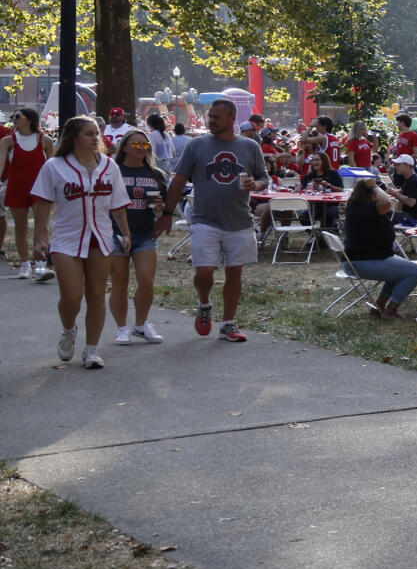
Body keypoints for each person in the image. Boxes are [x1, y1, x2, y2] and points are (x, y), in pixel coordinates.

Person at [159, 99, 269, 342]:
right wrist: (167, 214)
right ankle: (204, 304)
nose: (211, 120)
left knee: (234, 274)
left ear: (231, 118)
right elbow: (178, 180)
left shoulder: (250, 146)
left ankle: (228, 324)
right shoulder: (196, 145)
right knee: (205, 272)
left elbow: (263, 178)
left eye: (217, 117)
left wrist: (256, 184)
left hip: (239, 221)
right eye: (210, 116)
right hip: (205, 220)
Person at [33, 116, 133, 368]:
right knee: (72, 295)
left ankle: (92, 350)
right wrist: (39, 237)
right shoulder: (54, 166)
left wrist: (126, 233)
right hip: (67, 238)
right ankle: (68, 330)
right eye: (88, 133)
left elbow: (118, 206)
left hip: (100, 236)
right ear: (74, 137)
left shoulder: (110, 166)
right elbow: (43, 203)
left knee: (97, 293)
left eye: (95, 133)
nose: (94, 138)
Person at [109, 129, 168, 345]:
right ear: (124, 147)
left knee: (146, 280)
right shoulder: (114, 171)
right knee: (120, 282)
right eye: (136, 145)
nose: (141, 149)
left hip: (145, 234)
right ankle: (121, 327)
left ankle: (141, 325)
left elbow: (163, 206)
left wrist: (160, 210)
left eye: (145, 146)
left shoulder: (156, 174)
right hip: (115, 234)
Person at [338, 178, 417, 321]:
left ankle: (379, 306)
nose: (383, 193)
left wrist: (375, 188)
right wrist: (375, 186)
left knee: (401, 271)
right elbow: (387, 203)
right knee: (415, 272)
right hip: (364, 261)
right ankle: (390, 311)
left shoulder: (360, 206)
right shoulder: (365, 207)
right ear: (372, 193)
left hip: (365, 259)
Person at [2, 108, 53, 280]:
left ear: (29, 120)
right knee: (20, 227)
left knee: (42, 227)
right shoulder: (8, 141)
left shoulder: (44, 140)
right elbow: (1, 165)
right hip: (17, 185)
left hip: (39, 187)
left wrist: (55, 187)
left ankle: (41, 267)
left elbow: (52, 166)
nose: (14, 119)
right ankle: (25, 265)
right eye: (13, 116)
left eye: (17, 116)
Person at [388, 155, 417, 226]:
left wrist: (394, 194)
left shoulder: (413, 181)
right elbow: (401, 191)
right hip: (412, 217)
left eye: (398, 164)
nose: (395, 166)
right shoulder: (410, 179)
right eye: (395, 164)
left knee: (385, 216)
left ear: (408, 165)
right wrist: (387, 191)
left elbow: (411, 202)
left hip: (413, 219)